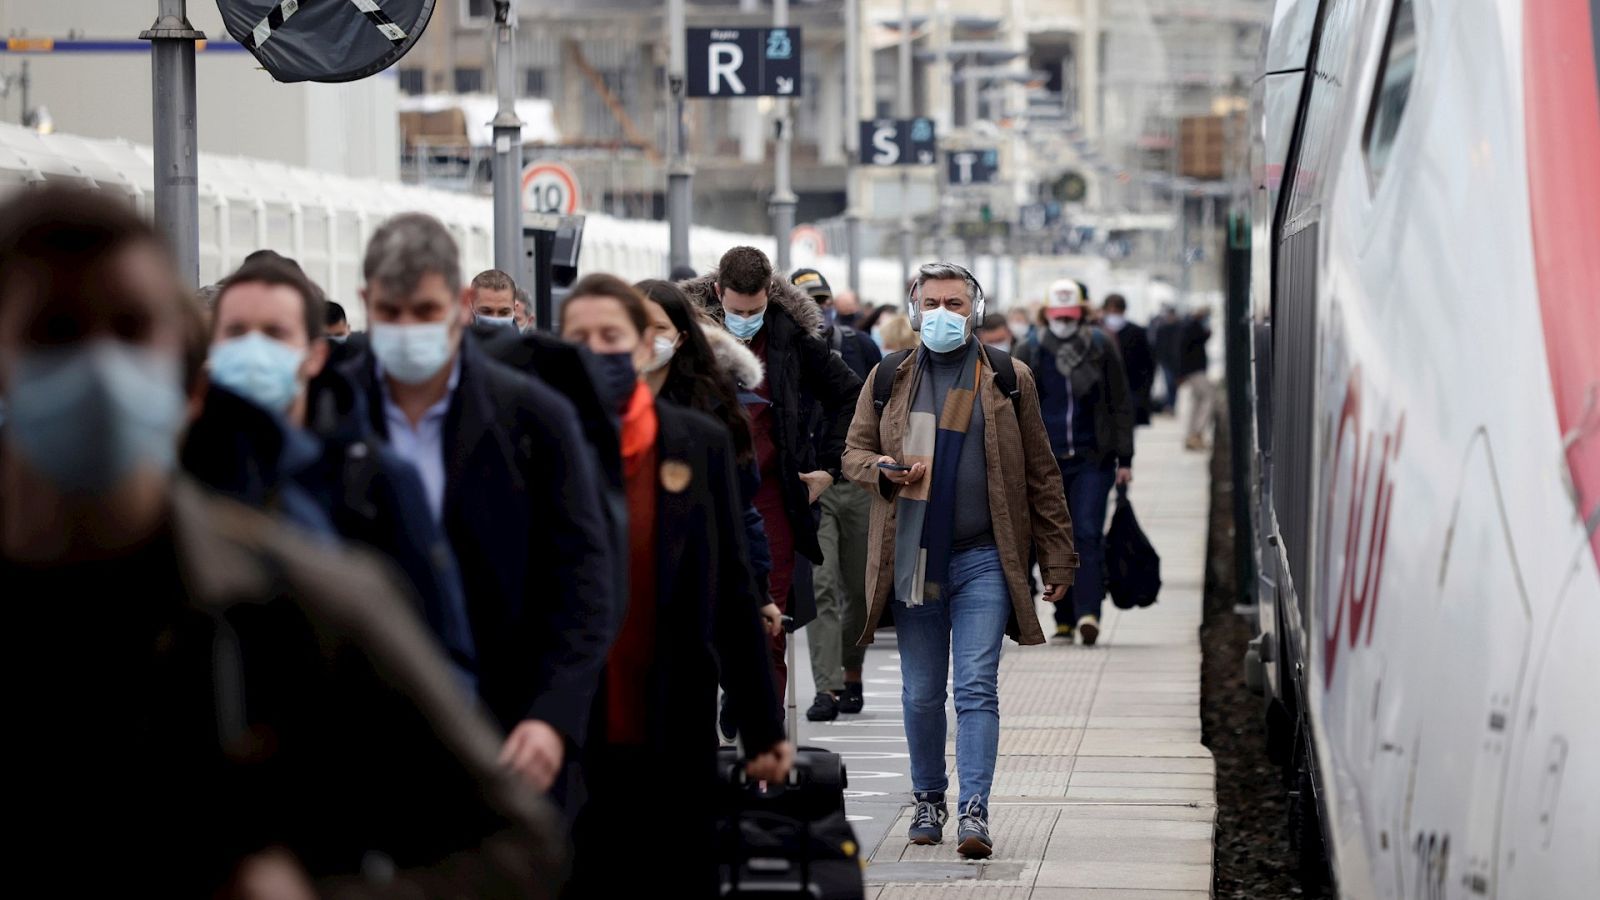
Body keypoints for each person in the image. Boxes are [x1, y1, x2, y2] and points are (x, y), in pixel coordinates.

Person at [0, 186, 557, 896]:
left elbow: (518, 843)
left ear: (190, 385)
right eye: (55, 331)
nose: (98, 367)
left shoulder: (305, 603)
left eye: (132, 329)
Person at [345, 212, 616, 801]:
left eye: (425, 311)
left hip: (510, 727)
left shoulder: (534, 417)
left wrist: (552, 715)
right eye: (391, 314)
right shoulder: (330, 412)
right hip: (362, 729)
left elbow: (585, 577)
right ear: (366, 301)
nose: (408, 329)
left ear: (457, 303)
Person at [558, 274, 793, 894]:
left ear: (642, 345)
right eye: (579, 338)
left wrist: (763, 726)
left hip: (669, 708)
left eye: (611, 335)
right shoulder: (537, 439)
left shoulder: (697, 442)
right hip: (569, 721)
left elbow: (729, 585)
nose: (596, 350)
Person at [843, 262, 1077, 860]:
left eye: (956, 302)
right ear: (914, 308)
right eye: (933, 302)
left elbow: (1041, 474)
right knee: (922, 692)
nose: (944, 312)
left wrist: (1057, 557)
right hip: (913, 557)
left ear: (974, 307)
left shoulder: (1006, 376)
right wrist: (883, 471)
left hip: (984, 557)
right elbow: (852, 454)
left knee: (975, 686)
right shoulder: (888, 376)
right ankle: (928, 798)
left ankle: (974, 810)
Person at [186, 255, 480, 688]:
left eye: (275, 334)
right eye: (235, 333)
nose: (253, 351)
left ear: (315, 355)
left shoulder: (376, 480)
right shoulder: (174, 478)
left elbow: (444, 655)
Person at [679, 247, 863, 695]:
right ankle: (730, 684)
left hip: (772, 495)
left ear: (770, 296)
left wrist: (829, 466)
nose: (745, 318)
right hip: (700, 492)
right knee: (700, 613)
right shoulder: (689, 336)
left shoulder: (790, 338)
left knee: (770, 618)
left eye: (755, 309)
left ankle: (763, 731)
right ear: (718, 292)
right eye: (737, 310)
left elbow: (849, 394)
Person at [635, 278, 783, 640]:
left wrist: (758, 588)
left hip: (694, 580)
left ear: (682, 337)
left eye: (659, 328)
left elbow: (739, 507)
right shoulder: (595, 406)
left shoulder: (713, 412)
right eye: (637, 326)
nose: (646, 338)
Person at [1016, 279, 1134, 646]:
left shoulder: (1099, 346)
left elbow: (1119, 402)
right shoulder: (1030, 349)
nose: (1064, 322)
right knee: (1048, 537)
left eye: (1070, 315)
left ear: (1082, 313)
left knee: (1084, 532)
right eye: (1058, 315)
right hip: (1043, 463)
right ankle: (1063, 617)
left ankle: (1088, 612)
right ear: (1046, 314)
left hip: (1091, 459)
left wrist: (1125, 457)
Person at [790, 268, 880, 722]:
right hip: (811, 484)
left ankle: (852, 672)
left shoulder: (860, 347)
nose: (817, 309)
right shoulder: (785, 352)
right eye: (807, 301)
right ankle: (826, 688)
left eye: (821, 301)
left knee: (860, 591)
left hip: (858, 482)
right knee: (821, 588)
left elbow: (886, 405)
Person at [1101, 294, 1155, 426]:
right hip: (1104, 392)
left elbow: (1148, 363)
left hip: (1131, 389)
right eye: (1111, 310)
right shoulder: (1098, 332)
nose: (1113, 314)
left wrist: (1144, 391)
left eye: (1117, 310)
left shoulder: (1137, 332)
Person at [1180, 307, 1216, 450]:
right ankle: (1196, 432)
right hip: (1195, 370)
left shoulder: (1191, 326)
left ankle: (1192, 435)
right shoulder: (1192, 327)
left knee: (1196, 401)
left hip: (1194, 370)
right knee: (1209, 397)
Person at [1152, 304, 1183, 414]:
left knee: (1173, 384)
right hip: (1166, 360)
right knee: (1170, 383)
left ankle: (1171, 404)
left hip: (1176, 361)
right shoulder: (1163, 328)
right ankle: (1170, 405)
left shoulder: (1179, 328)